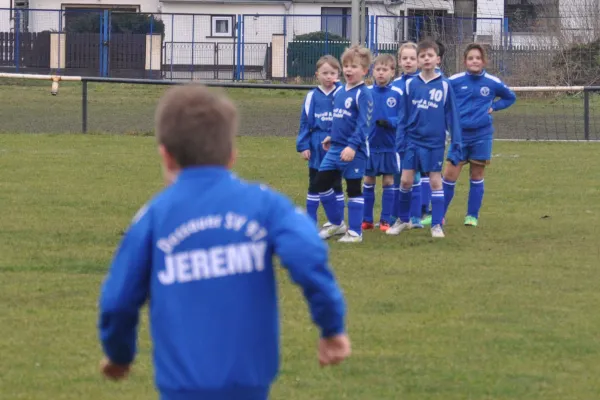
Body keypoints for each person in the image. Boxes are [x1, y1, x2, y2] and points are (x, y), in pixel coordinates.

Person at [97, 84, 351, 400]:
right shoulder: (265, 205)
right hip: (249, 382)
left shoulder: (153, 217)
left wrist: (119, 353)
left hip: (181, 387)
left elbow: (118, 300)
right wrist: (331, 327)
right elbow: (308, 254)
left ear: (165, 154)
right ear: (232, 154)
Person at [386, 39, 462, 238]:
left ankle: (436, 224)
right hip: (412, 141)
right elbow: (403, 116)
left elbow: (452, 116)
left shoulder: (445, 85)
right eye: (423, 56)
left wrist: (456, 143)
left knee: (436, 181)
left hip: (434, 143)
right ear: (419, 61)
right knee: (405, 180)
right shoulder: (411, 85)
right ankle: (403, 219)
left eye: (430, 55)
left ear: (438, 59)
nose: (426, 59)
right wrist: (400, 141)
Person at [443, 43, 517, 226]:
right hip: (459, 137)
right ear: (465, 61)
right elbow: (442, 98)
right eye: (470, 58)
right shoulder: (454, 80)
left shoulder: (492, 82)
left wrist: (495, 107)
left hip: (482, 136)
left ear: (484, 61)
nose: (474, 61)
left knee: (476, 176)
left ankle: (472, 216)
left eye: (478, 58)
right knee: (449, 176)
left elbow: (510, 97)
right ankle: (438, 215)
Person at [316, 45, 375, 243]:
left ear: (364, 71)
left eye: (354, 66)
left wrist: (351, 146)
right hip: (335, 148)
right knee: (320, 183)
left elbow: (364, 124)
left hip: (354, 150)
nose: (349, 70)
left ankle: (356, 232)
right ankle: (337, 223)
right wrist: (331, 136)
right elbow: (340, 119)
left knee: (353, 188)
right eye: (346, 66)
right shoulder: (340, 91)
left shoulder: (364, 93)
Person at [296, 55, 345, 225]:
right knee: (314, 182)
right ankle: (311, 222)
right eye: (325, 73)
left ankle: (338, 221)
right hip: (316, 143)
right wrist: (303, 145)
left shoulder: (342, 94)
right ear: (317, 74)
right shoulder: (311, 96)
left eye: (332, 73)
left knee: (336, 183)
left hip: (336, 143)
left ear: (338, 74)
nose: (328, 76)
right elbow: (304, 122)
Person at [362, 53, 403, 232]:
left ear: (392, 73)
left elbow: (404, 118)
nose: (380, 73)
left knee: (388, 181)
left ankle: (385, 220)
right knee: (369, 180)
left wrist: (390, 123)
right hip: (370, 146)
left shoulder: (397, 93)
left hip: (389, 146)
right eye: (378, 69)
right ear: (372, 71)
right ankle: (367, 219)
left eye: (384, 70)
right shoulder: (367, 92)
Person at [391, 41, 423, 229]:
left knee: (415, 177)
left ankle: (416, 217)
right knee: (397, 177)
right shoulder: (394, 85)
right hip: (397, 138)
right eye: (405, 58)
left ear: (418, 61)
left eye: (412, 58)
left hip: (417, 138)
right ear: (399, 61)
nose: (409, 62)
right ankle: (398, 216)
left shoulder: (423, 83)